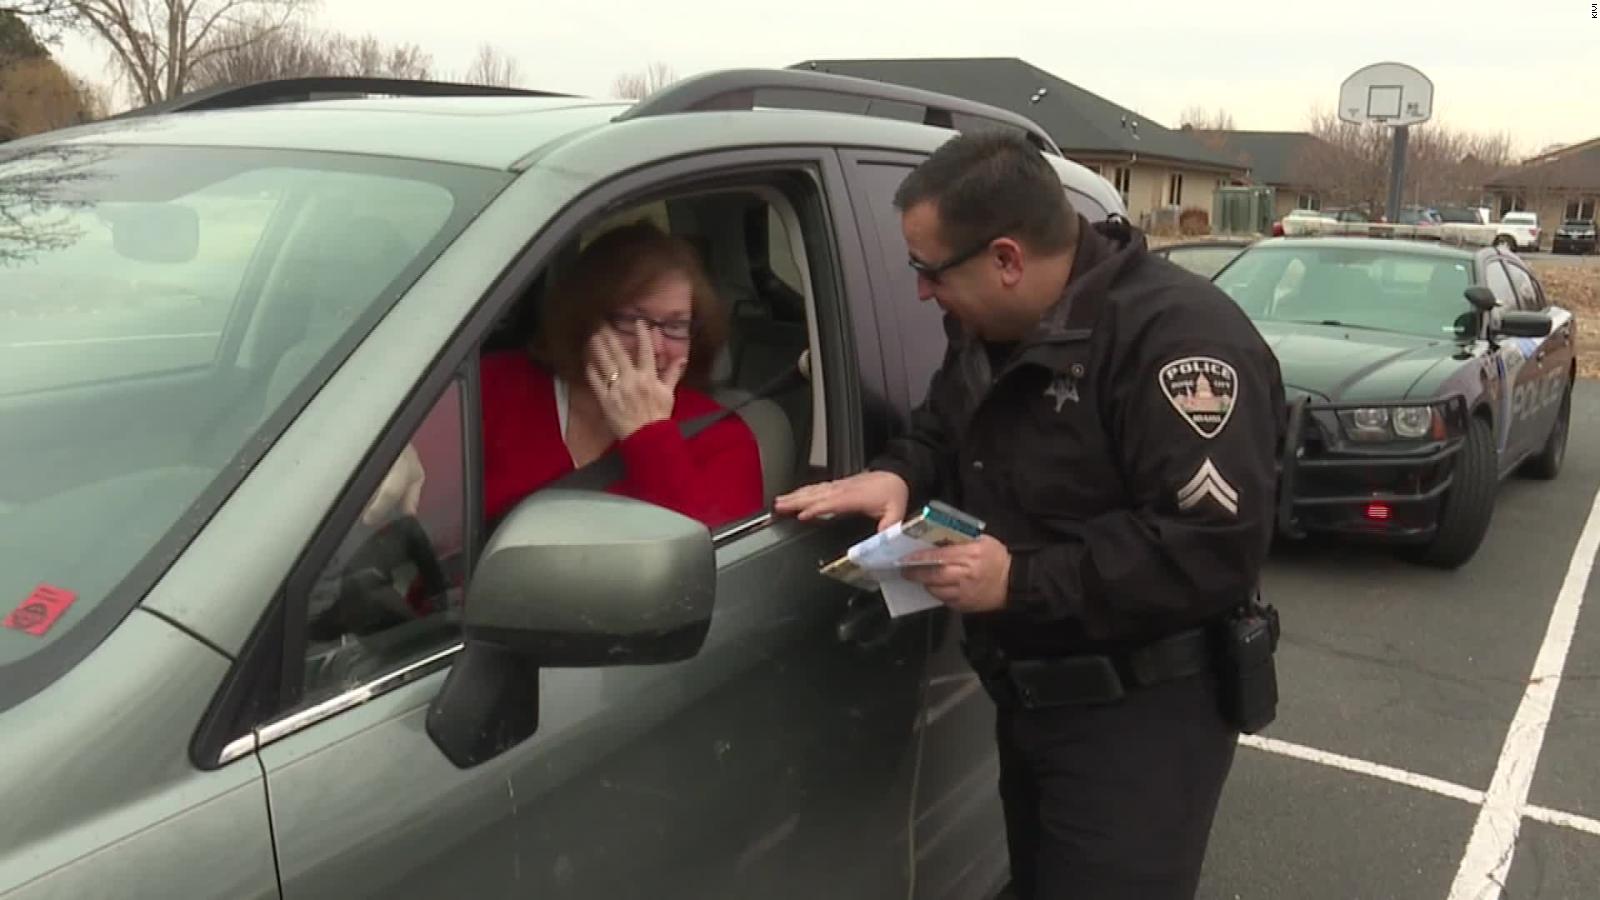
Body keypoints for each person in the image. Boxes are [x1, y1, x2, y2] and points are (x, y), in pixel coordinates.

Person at [774, 132, 1285, 899]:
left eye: (928, 270)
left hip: (1142, 717)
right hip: (1032, 696)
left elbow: (1211, 548)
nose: (920, 292)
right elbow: (946, 423)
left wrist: (1019, 582)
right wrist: (896, 473)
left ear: (1006, 259)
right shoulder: (992, 326)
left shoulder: (1178, 343)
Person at [364, 220, 764, 532]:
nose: (654, 348)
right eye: (631, 321)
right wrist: (391, 452)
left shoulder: (721, 436)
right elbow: (400, 508)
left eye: (676, 326)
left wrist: (650, 436)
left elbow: (707, 577)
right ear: (585, 319)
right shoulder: (492, 389)